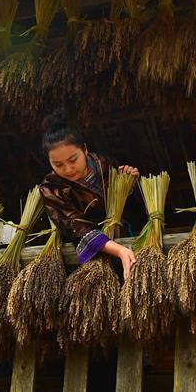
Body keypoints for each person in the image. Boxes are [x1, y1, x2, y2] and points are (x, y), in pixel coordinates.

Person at [39, 110, 140, 278]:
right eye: (58, 165)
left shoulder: (104, 164)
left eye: (73, 160)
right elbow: (75, 227)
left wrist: (129, 183)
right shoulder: (50, 188)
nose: (68, 169)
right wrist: (118, 250)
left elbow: (128, 204)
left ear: (84, 149)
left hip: (123, 236)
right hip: (91, 248)